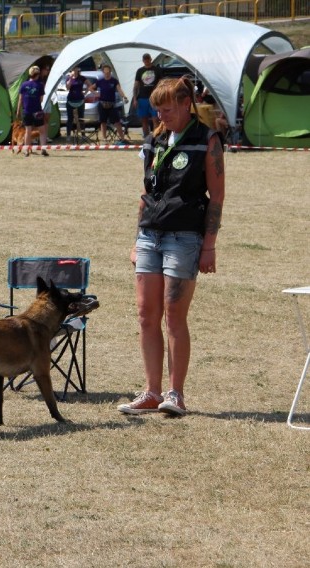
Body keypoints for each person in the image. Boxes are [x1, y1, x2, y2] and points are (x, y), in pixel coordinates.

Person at [118, 76, 225, 417]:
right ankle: (150, 392)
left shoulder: (207, 140)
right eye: (157, 109)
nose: (160, 116)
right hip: (150, 235)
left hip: (185, 236)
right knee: (146, 316)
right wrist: (137, 240)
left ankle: (175, 394)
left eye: (166, 109)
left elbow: (217, 197)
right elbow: (145, 194)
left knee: (173, 317)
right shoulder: (153, 142)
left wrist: (209, 246)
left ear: (184, 104)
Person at [16, 65, 49, 157]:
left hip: (26, 111)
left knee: (28, 131)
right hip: (37, 111)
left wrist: (18, 111)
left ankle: (26, 150)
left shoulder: (24, 84)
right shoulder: (40, 85)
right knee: (42, 131)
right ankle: (43, 149)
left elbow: (20, 99)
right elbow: (41, 100)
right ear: (38, 74)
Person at [95, 64, 130, 144]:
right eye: (105, 71)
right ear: (103, 72)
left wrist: (124, 96)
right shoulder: (100, 81)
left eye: (108, 71)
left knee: (117, 122)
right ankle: (104, 139)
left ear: (110, 72)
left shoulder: (114, 81)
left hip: (112, 105)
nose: (107, 72)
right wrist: (95, 93)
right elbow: (91, 87)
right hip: (102, 104)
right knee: (103, 122)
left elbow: (119, 89)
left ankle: (122, 138)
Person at [131, 53, 163, 138]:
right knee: (143, 119)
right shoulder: (140, 71)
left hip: (154, 98)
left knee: (155, 118)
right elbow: (136, 85)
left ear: (150, 59)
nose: (147, 61)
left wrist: (159, 96)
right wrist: (135, 98)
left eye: (148, 59)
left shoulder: (157, 70)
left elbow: (161, 83)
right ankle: (146, 136)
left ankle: (156, 136)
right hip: (142, 98)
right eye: (145, 60)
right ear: (143, 61)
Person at [64, 66, 94, 141]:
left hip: (80, 99)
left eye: (76, 68)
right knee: (70, 118)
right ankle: (68, 135)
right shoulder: (69, 77)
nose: (74, 70)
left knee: (81, 118)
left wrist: (85, 93)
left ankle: (83, 135)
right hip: (71, 99)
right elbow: (67, 87)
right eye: (73, 68)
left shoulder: (82, 78)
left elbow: (90, 85)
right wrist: (71, 78)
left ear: (78, 69)